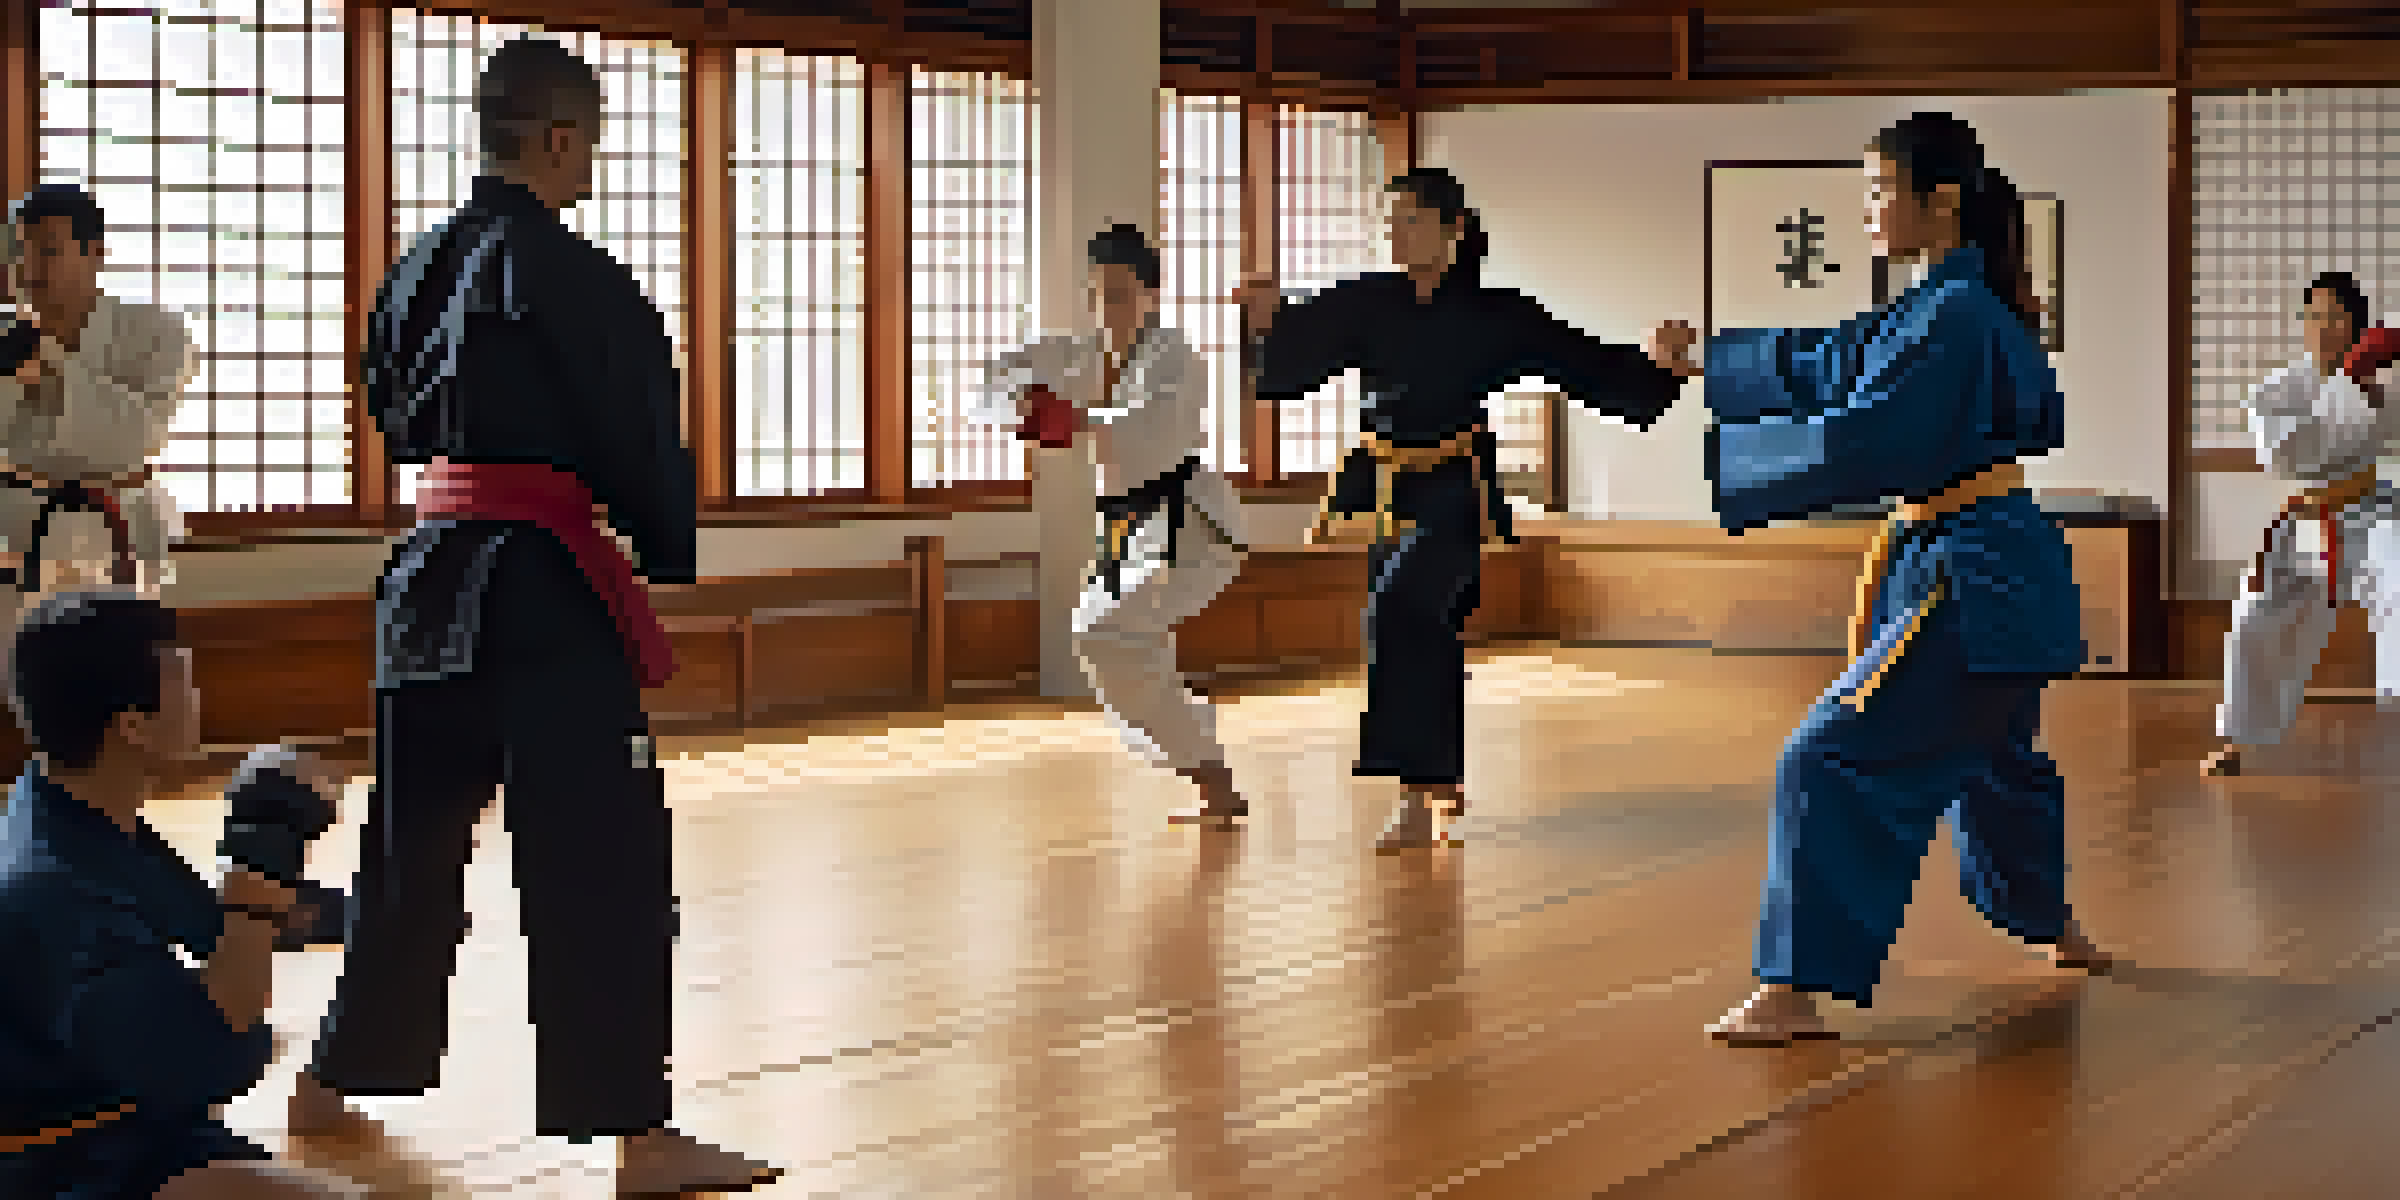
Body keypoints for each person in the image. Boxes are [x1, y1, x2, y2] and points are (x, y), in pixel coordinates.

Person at [283, 36, 779, 1195]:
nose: (591, 162)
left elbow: (388, 414)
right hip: (540, 590)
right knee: (598, 858)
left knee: (409, 852)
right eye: (590, 142)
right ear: (560, 138)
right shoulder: (579, 278)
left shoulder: (412, 268)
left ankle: (330, 1078)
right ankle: (638, 1139)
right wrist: (660, 547)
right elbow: (640, 434)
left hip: (423, 582)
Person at [1643, 113, 2112, 1044]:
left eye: (1877, 190)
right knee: (1995, 755)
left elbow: (1871, 438)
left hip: (1970, 574)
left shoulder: (1957, 312)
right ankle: (2052, 921)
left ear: (1938, 199)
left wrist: (1737, 456)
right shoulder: (1940, 306)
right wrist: (1709, 371)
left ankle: (1794, 987)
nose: (1866, 209)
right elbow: (1824, 364)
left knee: (1826, 756)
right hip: (1983, 567)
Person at [1230, 168, 1685, 850]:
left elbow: (1576, 359)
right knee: (1427, 628)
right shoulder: (1367, 302)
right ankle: (1435, 783)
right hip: (1386, 490)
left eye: (1411, 219)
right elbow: (1287, 368)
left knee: (1399, 609)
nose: (1396, 231)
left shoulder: (1494, 314)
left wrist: (1657, 370)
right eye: (1392, 220)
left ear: (1452, 230)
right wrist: (1262, 326)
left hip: (1452, 487)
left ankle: (1416, 795)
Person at [0, 590, 363, 1199]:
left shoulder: (65, 809)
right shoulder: (58, 896)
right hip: (61, 1158)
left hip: (120, 1115)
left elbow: (199, 917)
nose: (199, 701)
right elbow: (214, 1060)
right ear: (133, 726)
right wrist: (263, 856)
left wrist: (373, 915)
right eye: (186, 686)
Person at [974, 224, 1251, 827]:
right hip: (1126, 525)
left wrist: (1074, 419)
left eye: (1121, 295)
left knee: (1112, 629)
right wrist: (1023, 408)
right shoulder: (1074, 355)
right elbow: (992, 382)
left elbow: (1153, 423)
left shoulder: (1175, 357)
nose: (1107, 309)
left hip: (1189, 524)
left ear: (1151, 296)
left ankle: (1210, 772)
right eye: (1097, 295)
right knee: (1099, 639)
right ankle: (1212, 780)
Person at [0, 184, 197, 782]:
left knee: (113, 675)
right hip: (19, 522)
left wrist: (52, 371)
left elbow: (134, 437)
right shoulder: (5, 342)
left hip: (118, 523)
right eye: (21, 252)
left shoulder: (154, 333)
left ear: (96, 253)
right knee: (24, 675)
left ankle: (113, 804)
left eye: (50, 251)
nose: (29, 269)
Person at [2205, 273, 2400, 776]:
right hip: (2308, 520)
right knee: (2254, 616)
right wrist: (2353, 383)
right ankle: (2237, 741)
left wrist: (2364, 377)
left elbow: (2375, 426)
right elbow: (2287, 453)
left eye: (2333, 316)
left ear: (2354, 323)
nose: (2321, 327)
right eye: (2313, 316)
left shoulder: (2379, 381)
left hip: (2372, 511)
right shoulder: (2278, 389)